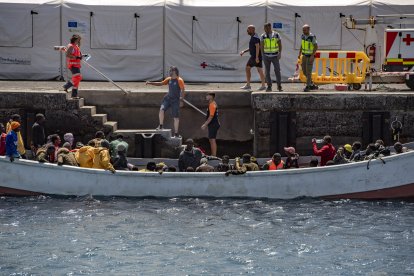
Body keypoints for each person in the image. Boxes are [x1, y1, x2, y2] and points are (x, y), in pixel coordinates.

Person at [146, 66, 185, 138]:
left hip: (175, 101)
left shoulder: (179, 80)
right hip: (167, 98)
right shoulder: (169, 79)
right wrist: (150, 83)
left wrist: (181, 100)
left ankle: (176, 133)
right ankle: (161, 126)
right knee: (161, 110)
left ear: (175, 72)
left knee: (176, 117)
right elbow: (161, 83)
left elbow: (183, 90)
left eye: (171, 71)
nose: (169, 72)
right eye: (169, 71)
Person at [240, 25, 266, 91]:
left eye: (248, 29)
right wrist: (244, 51)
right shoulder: (254, 37)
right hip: (257, 56)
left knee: (247, 68)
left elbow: (257, 47)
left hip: (254, 56)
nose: (247, 30)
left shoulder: (255, 38)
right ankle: (263, 85)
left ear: (252, 30)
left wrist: (256, 57)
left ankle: (248, 85)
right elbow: (252, 47)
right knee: (260, 70)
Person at [260, 23, 283, 92]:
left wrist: (279, 53)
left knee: (277, 70)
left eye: (267, 28)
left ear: (270, 27)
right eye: (265, 28)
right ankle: (269, 86)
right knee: (267, 72)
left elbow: (280, 45)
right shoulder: (263, 36)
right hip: (266, 56)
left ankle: (279, 86)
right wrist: (262, 55)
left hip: (275, 56)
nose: (266, 29)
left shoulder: (276, 34)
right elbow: (262, 46)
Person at [298, 24, 318, 92]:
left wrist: (312, 55)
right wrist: (299, 53)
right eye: (303, 30)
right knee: (304, 71)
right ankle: (312, 84)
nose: (303, 31)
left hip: (310, 56)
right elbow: (302, 44)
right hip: (304, 55)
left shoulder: (312, 37)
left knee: (308, 72)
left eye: (305, 30)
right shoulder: (303, 36)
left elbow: (315, 46)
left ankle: (308, 86)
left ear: (308, 29)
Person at [63, 34, 83, 98]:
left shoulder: (76, 46)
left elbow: (78, 54)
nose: (79, 41)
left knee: (77, 79)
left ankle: (74, 95)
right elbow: (67, 54)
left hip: (77, 64)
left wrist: (81, 56)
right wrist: (76, 57)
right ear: (75, 40)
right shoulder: (71, 46)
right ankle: (66, 86)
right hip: (73, 64)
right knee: (78, 77)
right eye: (78, 40)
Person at [201, 93, 220, 157]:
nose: (206, 96)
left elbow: (211, 116)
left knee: (212, 139)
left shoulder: (212, 105)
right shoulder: (212, 103)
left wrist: (205, 124)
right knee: (211, 139)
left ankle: (214, 155)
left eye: (207, 95)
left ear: (211, 97)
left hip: (214, 124)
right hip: (212, 124)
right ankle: (213, 154)